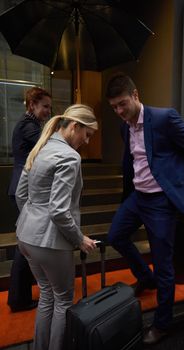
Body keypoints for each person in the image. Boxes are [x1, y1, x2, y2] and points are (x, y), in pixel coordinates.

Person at [105, 73, 184, 345]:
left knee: (165, 265)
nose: (119, 111)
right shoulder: (124, 127)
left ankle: (163, 324)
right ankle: (145, 278)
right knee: (115, 236)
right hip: (138, 197)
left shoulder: (164, 118)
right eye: (114, 107)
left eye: (122, 104)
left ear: (135, 95)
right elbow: (133, 161)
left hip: (161, 201)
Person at [15, 104, 98, 350]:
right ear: (74, 126)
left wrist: (32, 223)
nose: (87, 141)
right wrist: (79, 239)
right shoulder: (70, 157)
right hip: (50, 242)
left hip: (26, 236)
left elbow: (21, 195)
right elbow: (59, 210)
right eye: (87, 134)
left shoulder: (41, 146)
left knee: (46, 297)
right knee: (63, 301)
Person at [8, 86, 52, 312]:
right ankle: (18, 299)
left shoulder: (30, 124)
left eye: (49, 107)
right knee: (26, 245)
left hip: (21, 187)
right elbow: (48, 146)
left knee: (25, 243)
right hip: (24, 189)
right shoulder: (29, 126)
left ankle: (19, 297)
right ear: (32, 105)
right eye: (44, 106)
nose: (48, 111)